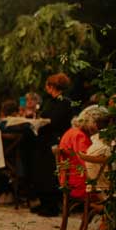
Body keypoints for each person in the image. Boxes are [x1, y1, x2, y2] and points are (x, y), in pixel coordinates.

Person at [30, 73, 75, 216]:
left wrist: (43, 122)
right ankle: (44, 202)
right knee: (41, 171)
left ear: (52, 87)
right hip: (44, 140)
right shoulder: (50, 101)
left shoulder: (64, 102)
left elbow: (55, 121)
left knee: (50, 172)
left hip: (55, 140)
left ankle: (52, 205)